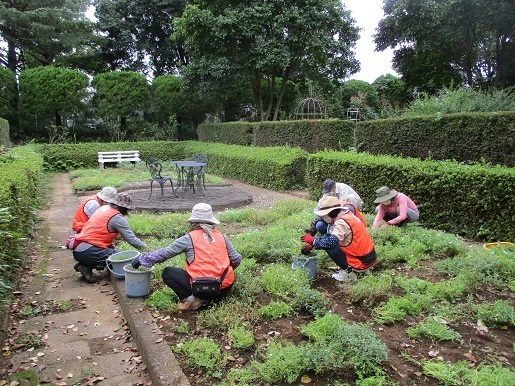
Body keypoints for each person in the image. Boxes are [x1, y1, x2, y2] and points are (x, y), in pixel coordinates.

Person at [131, 203, 242, 311]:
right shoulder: (222, 236)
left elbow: (164, 253)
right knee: (228, 272)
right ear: (212, 221)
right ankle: (214, 299)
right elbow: (236, 259)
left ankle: (193, 299)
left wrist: (142, 259)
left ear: (193, 222)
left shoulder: (189, 238)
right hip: (222, 288)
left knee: (168, 272)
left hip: (200, 288)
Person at [72, 193, 148, 283]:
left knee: (112, 251)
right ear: (124, 208)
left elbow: (100, 233)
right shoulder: (117, 218)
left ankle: (85, 266)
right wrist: (147, 250)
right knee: (121, 259)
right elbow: (132, 239)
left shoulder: (104, 209)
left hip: (79, 248)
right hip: (89, 251)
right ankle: (87, 265)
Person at [301, 196, 377, 282]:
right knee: (330, 240)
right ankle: (362, 271)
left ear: (330, 213)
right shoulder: (347, 214)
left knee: (330, 246)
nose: (323, 218)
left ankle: (349, 273)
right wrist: (313, 244)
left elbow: (330, 241)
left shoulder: (341, 222)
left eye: (324, 215)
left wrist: (313, 241)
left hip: (361, 261)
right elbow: (330, 235)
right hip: (369, 257)